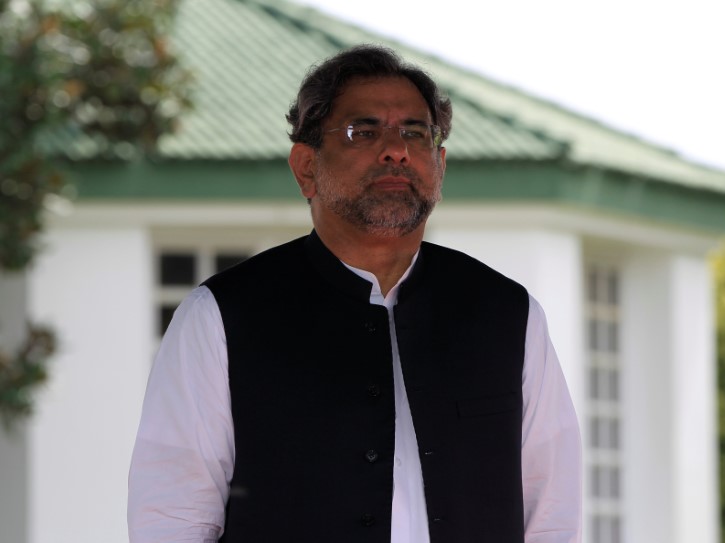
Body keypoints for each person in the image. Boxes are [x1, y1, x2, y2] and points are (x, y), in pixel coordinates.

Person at [128, 45, 581, 543]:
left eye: (414, 132)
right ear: (305, 168)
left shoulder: (507, 315)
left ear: (441, 165)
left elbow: (551, 511)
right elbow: (171, 520)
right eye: (363, 132)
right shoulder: (220, 317)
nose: (396, 150)